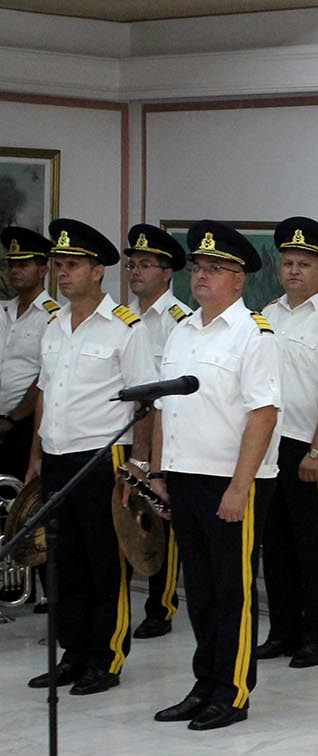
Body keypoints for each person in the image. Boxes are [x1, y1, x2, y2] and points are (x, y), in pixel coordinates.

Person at [149, 221, 281, 731]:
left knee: (232, 591)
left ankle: (232, 690)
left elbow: (263, 415)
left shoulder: (254, 334)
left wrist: (240, 487)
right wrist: (159, 473)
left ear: (238, 279)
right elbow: (163, 407)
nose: (202, 276)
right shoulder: (182, 329)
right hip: (185, 477)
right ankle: (204, 683)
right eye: (198, 267)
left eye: (215, 269)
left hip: (231, 481)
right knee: (199, 591)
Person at [26, 219, 154, 695]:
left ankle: (106, 656)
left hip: (102, 457)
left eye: (73, 265)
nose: (63, 273)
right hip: (58, 455)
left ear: (98, 271)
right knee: (63, 562)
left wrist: (139, 464)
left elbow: (145, 402)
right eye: (59, 265)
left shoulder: (126, 328)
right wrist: (36, 455)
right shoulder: (54, 324)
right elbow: (45, 392)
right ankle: (74, 652)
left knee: (105, 561)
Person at [256, 218, 318, 670]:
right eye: (288, 263)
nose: (294, 271)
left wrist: (317, 450)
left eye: (304, 264)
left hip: (309, 448)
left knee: (313, 547)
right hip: (270, 446)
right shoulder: (269, 314)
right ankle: (281, 631)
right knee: (274, 545)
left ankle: (316, 635)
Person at [123, 223, 191, 640]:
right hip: (126, 432)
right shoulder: (123, 318)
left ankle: (161, 606)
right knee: (127, 519)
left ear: (167, 273)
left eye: (146, 264)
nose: (136, 271)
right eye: (133, 264)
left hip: (165, 435)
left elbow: (168, 396)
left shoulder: (179, 321)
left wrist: (152, 458)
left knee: (160, 521)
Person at [0, 227, 57, 481]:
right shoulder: (3, 312)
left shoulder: (52, 317)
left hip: (25, 425)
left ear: (43, 270)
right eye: (11, 265)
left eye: (23, 265)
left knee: (18, 495)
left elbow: (45, 377)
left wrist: (12, 419)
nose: (15, 271)